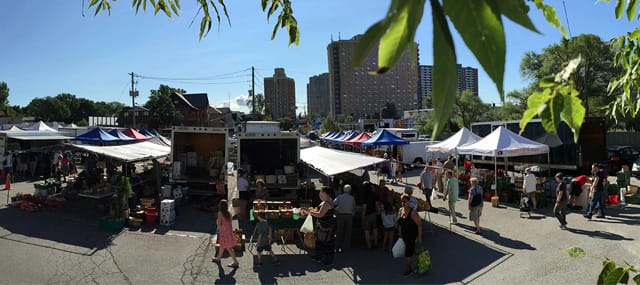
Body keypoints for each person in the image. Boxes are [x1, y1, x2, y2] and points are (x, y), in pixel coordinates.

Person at [309, 186, 336, 266]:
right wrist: (313, 210)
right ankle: (318, 256)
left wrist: (309, 212)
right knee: (319, 241)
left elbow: (320, 214)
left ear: (326, 194)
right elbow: (319, 210)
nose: (320, 194)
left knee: (327, 243)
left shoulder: (327, 203)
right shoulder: (326, 200)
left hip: (326, 226)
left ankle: (328, 260)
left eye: (322, 193)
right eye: (320, 192)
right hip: (323, 225)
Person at [397, 194, 422, 277]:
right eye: (402, 201)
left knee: (407, 254)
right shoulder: (400, 210)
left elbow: (419, 225)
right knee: (410, 252)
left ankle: (409, 269)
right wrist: (400, 234)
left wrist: (419, 238)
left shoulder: (413, 213)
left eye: (405, 201)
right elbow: (400, 223)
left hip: (411, 236)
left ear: (409, 202)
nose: (403, 203)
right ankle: (415, 263)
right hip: (404, 235)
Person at [212, 199, 239, 268]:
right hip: (229, 232)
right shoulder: (229, 213)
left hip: (224, 233)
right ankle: (218, 258)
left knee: (229, 248)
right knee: (222, 246)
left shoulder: (220, 213)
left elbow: (219, 223)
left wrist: (217, 221)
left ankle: (235, 262)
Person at [334, 184, 356, 252]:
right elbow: (354, 207)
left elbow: (334, 203)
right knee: (348, 232)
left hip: (340, 215)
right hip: (349, 216)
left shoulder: (339, 197)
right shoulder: (352, 198)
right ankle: (346, 247)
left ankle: (337, 246)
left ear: (343, 190)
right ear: (350, 190)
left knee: (339, 231)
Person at [361, 181, 379, 249]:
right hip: (374, 213)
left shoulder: (364, 196)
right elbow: (376, 204)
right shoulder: (374, 194)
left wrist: (363, 217)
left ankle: (369, 246)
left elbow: (364, 207)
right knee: (375, 228)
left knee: (367, 230)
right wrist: (377, 211)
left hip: (367, 215)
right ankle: (376, 243)